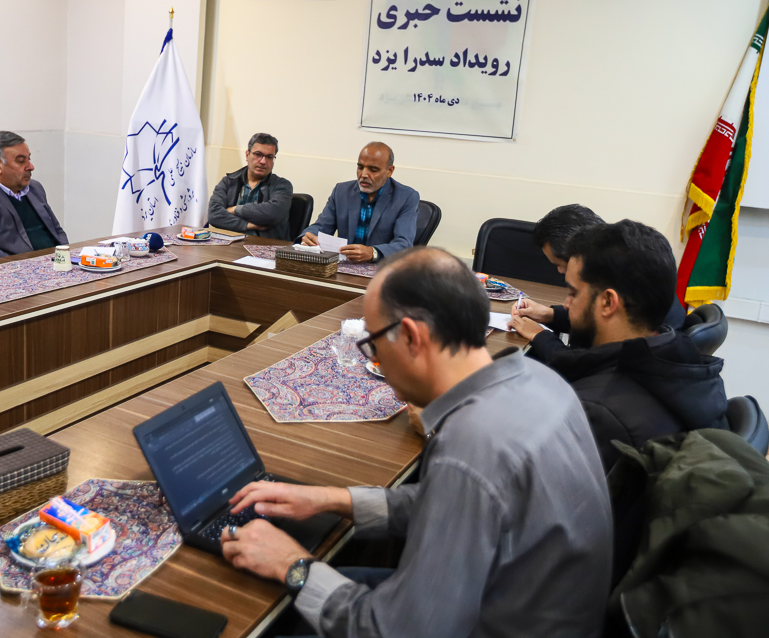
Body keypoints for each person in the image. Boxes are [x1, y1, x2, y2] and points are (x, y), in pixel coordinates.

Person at [220, 248, 613, 638]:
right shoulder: (541, 380)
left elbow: (394, 630)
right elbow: (455, 504)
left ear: (410, 336)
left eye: (374, 345)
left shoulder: (470, 444)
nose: (375, 359)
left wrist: (292, 564)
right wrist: (332, 499)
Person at [509, 221, 728, 472]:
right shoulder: (684, 361)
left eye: (573, 293)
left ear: (607, 302)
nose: (566, 304)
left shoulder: (598, 412)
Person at [519, 205, 685, 362]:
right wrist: (550, 314)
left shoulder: (633, 338)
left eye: (573, 294)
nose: (560, 271)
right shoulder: (635, 273)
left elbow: (581, 364)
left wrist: (540, 335)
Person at [0, 131, 68, 261]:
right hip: (19, 268)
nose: (31, 167)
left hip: (55, 263)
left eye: (29, 159)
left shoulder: (35, 188)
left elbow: (57, 231)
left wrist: (63, 258)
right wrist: (29, 266)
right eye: (21, 161)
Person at [300, 143, 418, 263]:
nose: (364, 174)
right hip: (344, 265)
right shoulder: (341, 191)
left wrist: (373, 252)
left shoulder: (406, 197)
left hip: (382, 267)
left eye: (373, 170)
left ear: (389, 171)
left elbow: (404, 244)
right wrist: (308, 236)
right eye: (360, 167)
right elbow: (321, 226)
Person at [207, 133, 293, 240]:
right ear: (247, 155)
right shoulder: (228, 182)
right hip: (231, 244)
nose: (263, 161)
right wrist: (248, 225)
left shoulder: (282, 185)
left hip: (267, 245)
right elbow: (214, 215)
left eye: (269, 157)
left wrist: (235, 210)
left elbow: (273, 213)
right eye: (258, 154)